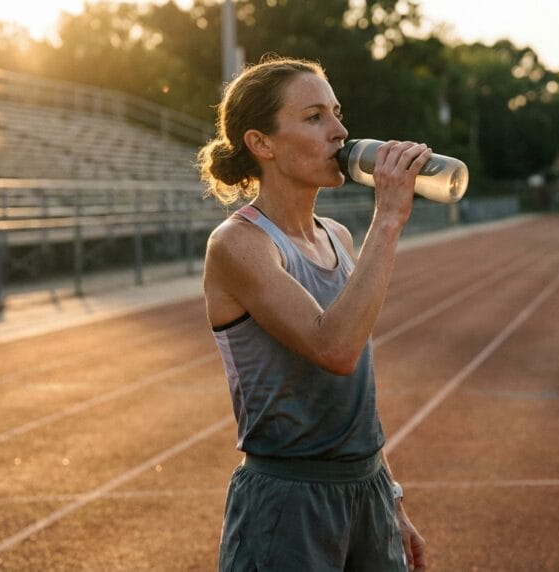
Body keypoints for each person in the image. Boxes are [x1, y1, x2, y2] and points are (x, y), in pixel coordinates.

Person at [198, 55, 430, 572]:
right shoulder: (239, 244)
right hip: (288, 500)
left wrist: (387, 492)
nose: (340, 131)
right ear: (262, 144)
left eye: (337, 112)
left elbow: (354, 393)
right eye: (314, 117)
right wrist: (389, 218)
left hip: (364, 487)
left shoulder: (339, 237)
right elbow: (336, 349)